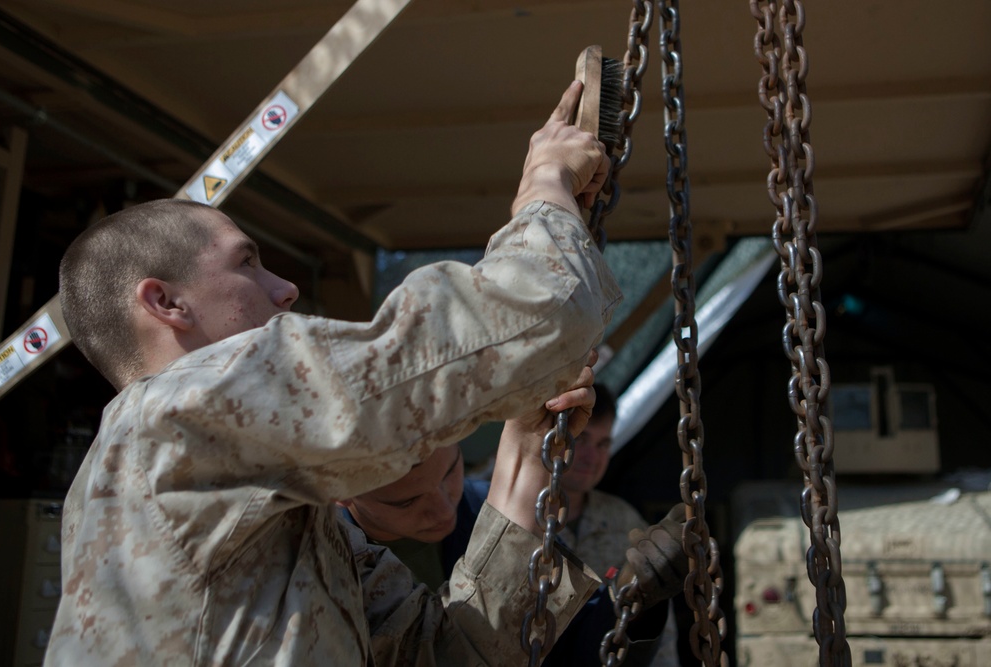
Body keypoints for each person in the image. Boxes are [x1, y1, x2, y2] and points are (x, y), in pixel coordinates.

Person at [45, 81, 624, 666]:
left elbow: (448, 656)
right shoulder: (181, 413)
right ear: (166, 304)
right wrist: (544, 186)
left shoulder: (273, 506)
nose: (286, 288)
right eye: (246, 261)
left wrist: (524, 456)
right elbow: (541, 312)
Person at [340, 382, 687, 666]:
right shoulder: (323, 565)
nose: (444, 507)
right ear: (339, 495)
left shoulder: (483, 512)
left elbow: (570, 640)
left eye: (450, 473)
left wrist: (633, 597)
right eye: (407, 501)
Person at [558, 383, 682, 667]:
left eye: (603, 444)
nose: (592, 457)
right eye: (582, 439)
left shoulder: (624, 521)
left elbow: (660, 635)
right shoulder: (517, 518)